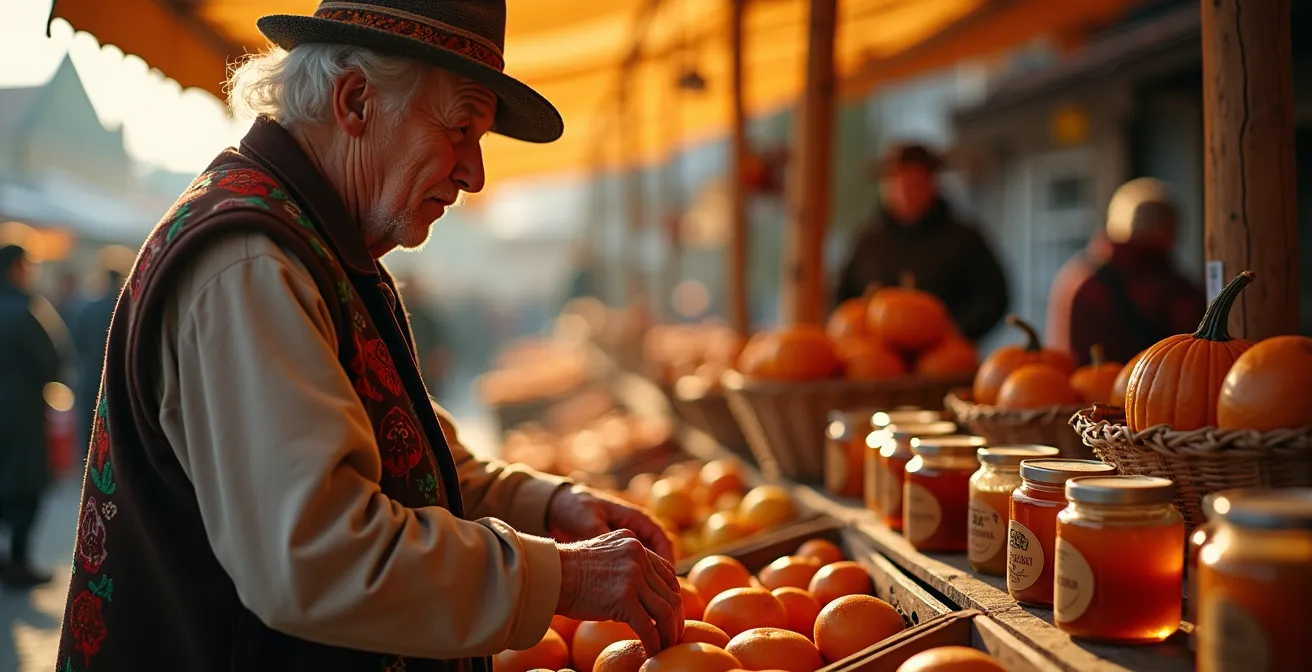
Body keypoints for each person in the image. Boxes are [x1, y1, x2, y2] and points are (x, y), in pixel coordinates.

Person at [56, 2, 682, 669]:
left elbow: (414, 465)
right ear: (354, 100)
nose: (475, 173)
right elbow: (320, 557)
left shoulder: (314, 244)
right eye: (463, 128)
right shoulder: (251, 263)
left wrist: (550, 506)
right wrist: (566, 576)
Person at [834, 142, 1009, 341]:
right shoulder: (868, 240)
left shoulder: (963, 238)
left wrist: (956, 331)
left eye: (914, 182)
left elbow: (992, 297)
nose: (905, 191)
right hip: (876, 355)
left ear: (931, 182)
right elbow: (844, 296)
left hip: (943, 355)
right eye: (897, 182)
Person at [1046, 177, 1206, 366]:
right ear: (1170, 231)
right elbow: (1195, 361)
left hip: (1087, 392)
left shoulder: (1076, 279)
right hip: (1160, 392)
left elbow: (1061, 356)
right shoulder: (1179, 292)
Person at [0, 244, 64, 588]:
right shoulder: (25, 309)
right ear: (16, 267)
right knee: (25, 489)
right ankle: (18, 562)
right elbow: (51, 362)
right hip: (19, 412)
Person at [73, 263, 127, 463]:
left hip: (90, 380)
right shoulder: (128, 309)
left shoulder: (88, 309)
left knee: (91, 437)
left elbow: (76, 344)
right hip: (120, 382)